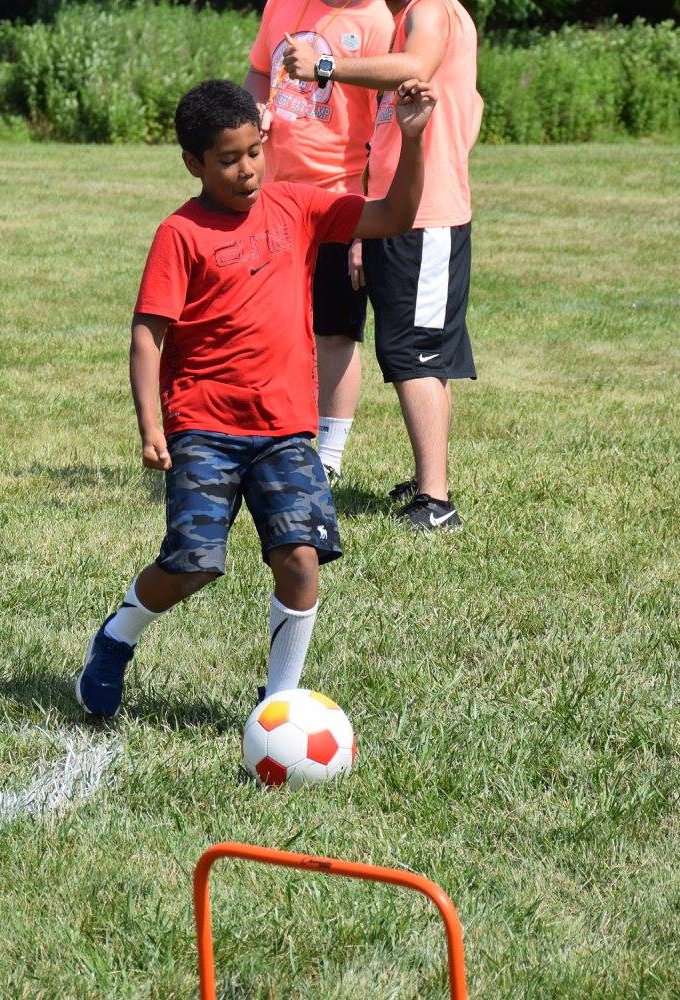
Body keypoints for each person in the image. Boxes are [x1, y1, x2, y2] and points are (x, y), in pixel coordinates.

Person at [76, 78, 435, 718]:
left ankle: (280, 704)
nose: (245, 171)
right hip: (204, 426)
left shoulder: (297, 207)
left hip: (285, 428)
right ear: (193, 163)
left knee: (300, 558)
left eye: (253, 153)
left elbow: (397, 216)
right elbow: (147, 332)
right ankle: (117, 636)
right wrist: (150, 425)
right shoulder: (179, 233)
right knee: (193, 564)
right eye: (226, 159)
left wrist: (412, 140)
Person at [282, 0, 483, 531]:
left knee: (413, 353)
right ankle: (428, 479)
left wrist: (325, 67)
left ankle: (436, 503)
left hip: (427, 214)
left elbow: (416, 68)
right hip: (403, 211)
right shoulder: (403, 18)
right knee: (416, 348)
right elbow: (473, 106)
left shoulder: (431, 10)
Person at [242, 0, 395, 482]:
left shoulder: (377, 20)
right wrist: (257, 112)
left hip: (335, 196)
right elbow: (257, 73)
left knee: (335, 331)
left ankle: (328, 455)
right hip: (269, 195)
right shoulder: (280, 5)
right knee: (267, 324)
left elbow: (385, 127)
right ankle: (264, 436)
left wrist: (363, 225)